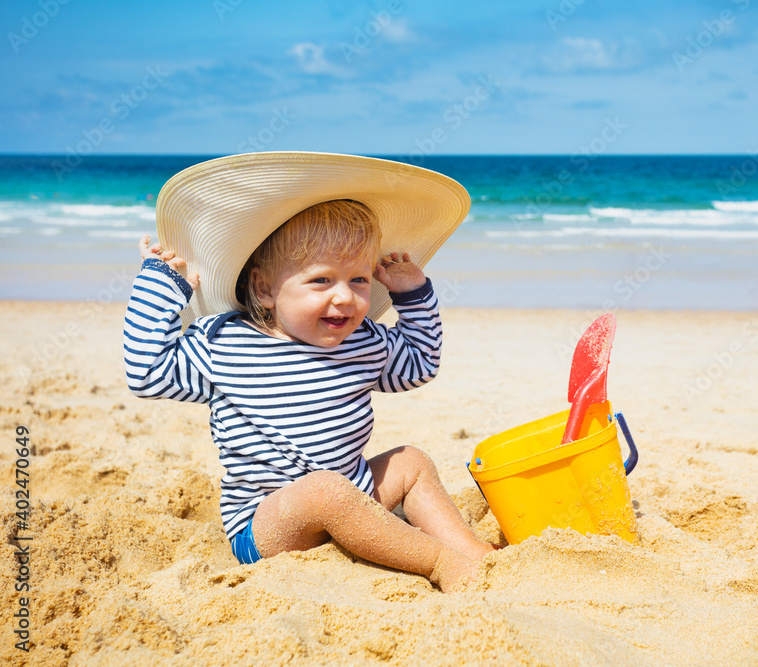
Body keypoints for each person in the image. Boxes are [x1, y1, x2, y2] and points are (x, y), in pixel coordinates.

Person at [123, 153, 494, 592]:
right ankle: (437, 563)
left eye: (358, 280)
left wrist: (413, 296)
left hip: (355, 496)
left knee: (410, 462)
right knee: (323, 491)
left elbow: (419, 363)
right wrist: (163, 286)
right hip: (269, 523)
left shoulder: (363, 340)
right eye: (321, 281)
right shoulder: (225, 344)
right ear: (264, 288)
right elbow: (145, 371)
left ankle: (475, 556)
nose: (346, 297)